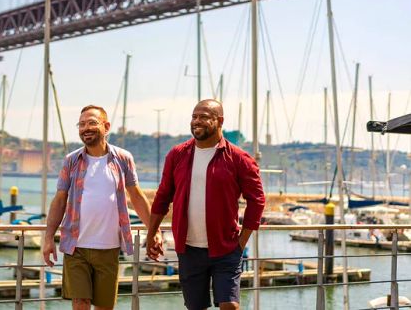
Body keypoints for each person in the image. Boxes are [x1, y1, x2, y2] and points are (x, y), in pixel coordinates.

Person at [146, 99, 265, 310]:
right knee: (195, 307)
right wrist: (151, 234)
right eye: (194, 116)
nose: (196, 121)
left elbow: (257, 200)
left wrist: (241, 242)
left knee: (230, 305)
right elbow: (163, 196)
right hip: (188, 249)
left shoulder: (240, 159)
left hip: (227, 248)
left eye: (204, 117)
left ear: (219, 121)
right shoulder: (177, 154)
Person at [42, 105, 157, 310]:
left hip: (109, 247)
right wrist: (48, 237)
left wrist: (153, 230)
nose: (86, 128)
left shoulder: (123, 158)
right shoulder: (71, 161)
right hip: (76, 246)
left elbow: (137, 197)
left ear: (106, 126)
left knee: (104, 306)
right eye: (82, 124)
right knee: (80, 303)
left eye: (92, 123)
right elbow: (60, 200)